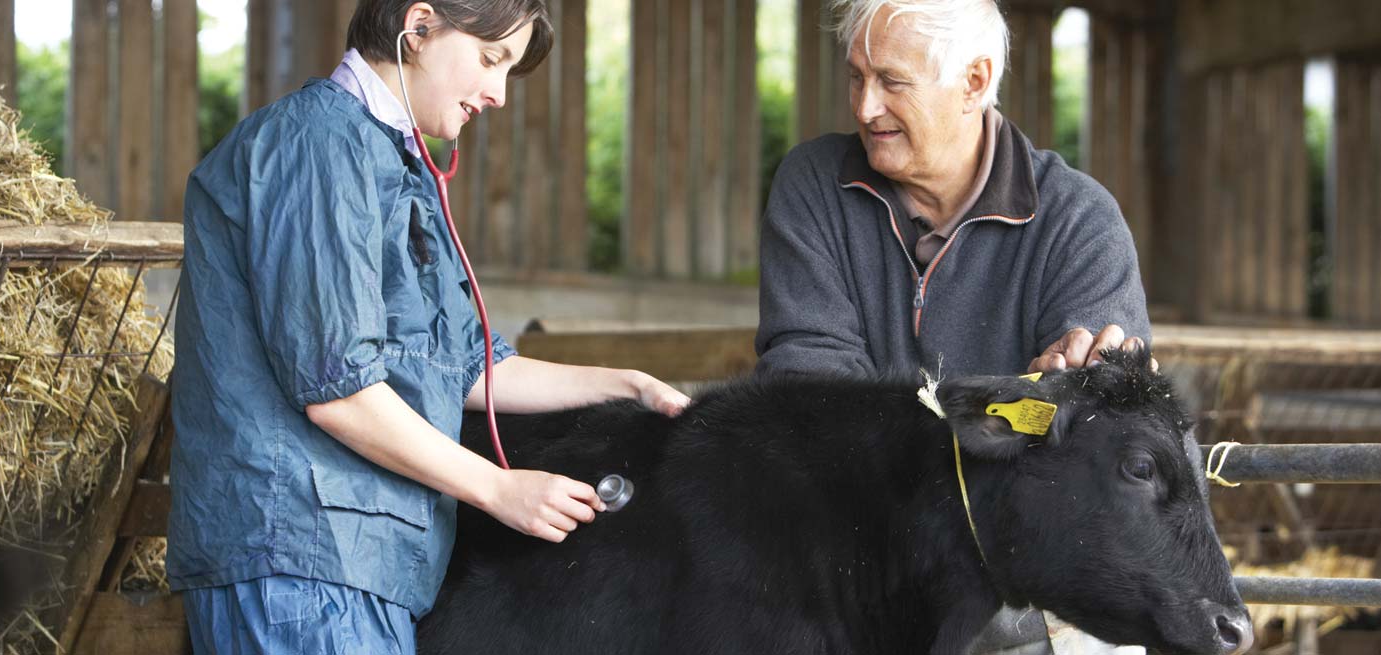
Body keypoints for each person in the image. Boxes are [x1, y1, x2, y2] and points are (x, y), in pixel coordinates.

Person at [167, 2, 689, 652]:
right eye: (490, 59)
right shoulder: (316, 145)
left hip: (361, 568)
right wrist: (498, 487)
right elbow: (339, 392)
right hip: (296, 560)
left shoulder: (394, 162)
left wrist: (628, 382)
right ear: (418, 28)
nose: (498, 93)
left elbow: (471, 365)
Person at [754, 0, 1151, 652]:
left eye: (891, 82)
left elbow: (1095, 435)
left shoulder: (1080, 221)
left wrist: (1082, 391)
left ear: (972, 81)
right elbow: (809, 385)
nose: (863, 108)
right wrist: (1013, 414)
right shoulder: (813, 185)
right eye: (856, 76)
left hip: (1029, 572)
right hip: (862, 548)